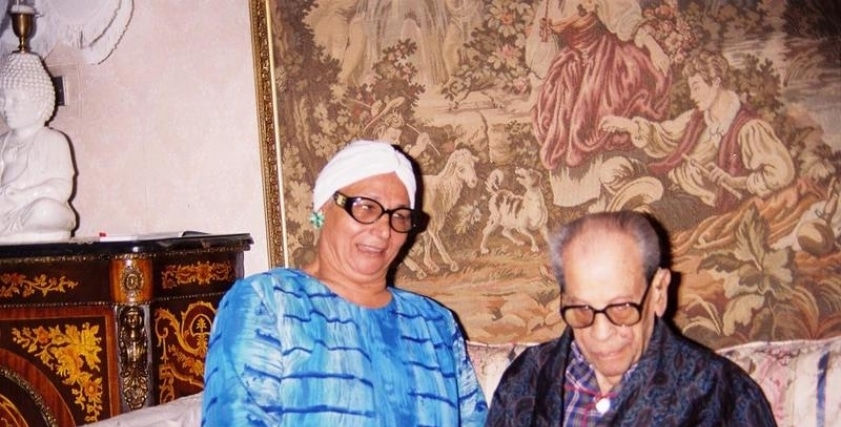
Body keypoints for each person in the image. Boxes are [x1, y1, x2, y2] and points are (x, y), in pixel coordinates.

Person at [202, 140, 488, 426]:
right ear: (322, 209)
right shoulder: (267, 301)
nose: (383, 230)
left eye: (400, 216)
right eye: (366, 207)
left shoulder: (435, 323)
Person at [486, 211, 777, 426]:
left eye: (622, 307)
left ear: (659, 291)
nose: (601, 334)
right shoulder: (528, 378)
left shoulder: (722, 395)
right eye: (582, 309)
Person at [600, 50, 795, 230]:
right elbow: (664, 136)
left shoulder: (749, 128)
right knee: (611, 171)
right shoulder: (697, 117)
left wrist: (735, 182)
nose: (692, 96)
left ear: (716, 82)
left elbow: (782, 173)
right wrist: (628, 126)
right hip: (667, 180)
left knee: (640, 218)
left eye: (696, 87)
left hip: (695, 202)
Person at [0, 52, 76, 243]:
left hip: (33, 209)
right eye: (2, 100)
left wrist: (24, 196)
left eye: (15, 101)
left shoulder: (54, 140)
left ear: (40, 104)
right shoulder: (2, 142)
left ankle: (10, 230)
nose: (6, 108)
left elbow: (61, 188)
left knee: (45, 211)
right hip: (6, 209)